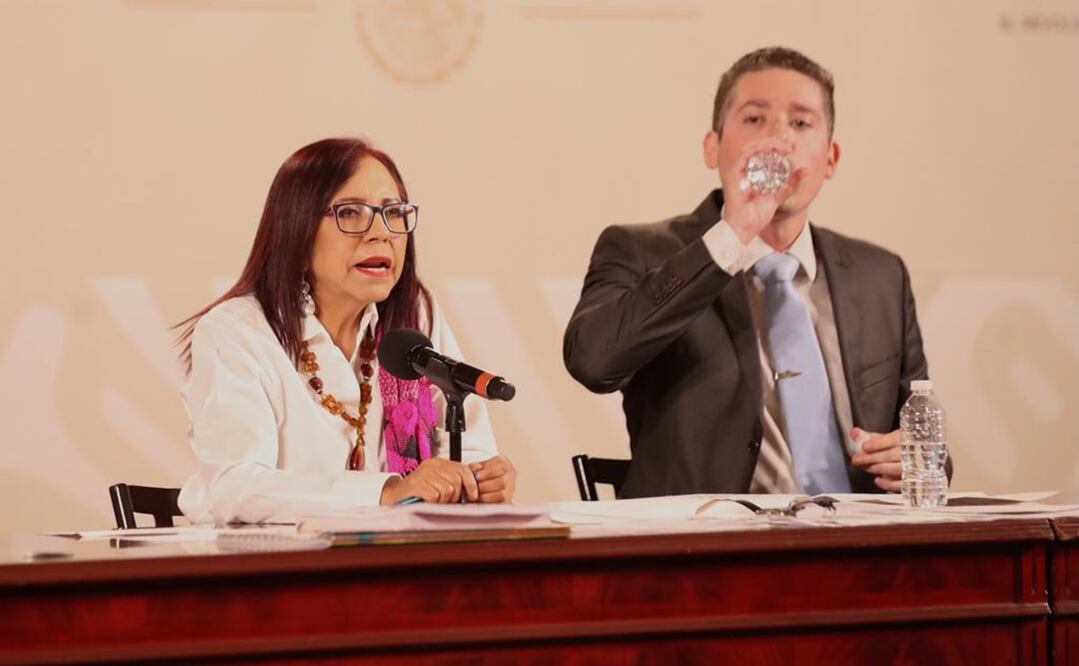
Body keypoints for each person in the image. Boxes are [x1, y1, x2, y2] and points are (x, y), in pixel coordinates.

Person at [564, 47, 949, 497]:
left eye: (801, 123)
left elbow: (924, 441)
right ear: (712, 147)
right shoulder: (642, 250)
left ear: (830, 158)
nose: (778, 139)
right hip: (706, 553)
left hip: (857, 549)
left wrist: (915, 460)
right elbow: (592, 361)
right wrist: (735, 233)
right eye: (754, 120)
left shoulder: (879, 275)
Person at [177, 137, 516, 524]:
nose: (381, 233)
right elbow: (234, 488)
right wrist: (387, 491)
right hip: (269, 571)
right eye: (351, 213)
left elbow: (469, 448)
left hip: (397, 561)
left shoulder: (414, 316)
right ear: (298, 231)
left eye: (394, 213)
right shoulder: (238, 332)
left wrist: (482, 478)